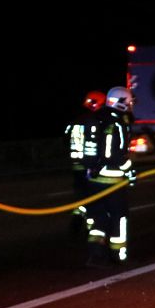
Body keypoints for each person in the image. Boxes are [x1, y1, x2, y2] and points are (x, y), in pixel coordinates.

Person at [82, 86, 136, 267]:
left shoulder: (96, 118)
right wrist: (130, 171)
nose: (130, 105)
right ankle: (118, 254)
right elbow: (115, 155)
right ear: (121, 103)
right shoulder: (118, 123)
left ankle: (95, 255)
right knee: (119, 218)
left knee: (97, 218)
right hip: (112, 181)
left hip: (94, 179)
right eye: (128, 102)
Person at [65, 90, 106, 234]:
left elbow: (66, 141)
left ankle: (78, 219)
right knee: (93, 197)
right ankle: (91, 229)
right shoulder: (93, 121)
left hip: (75, 165)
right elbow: (94, 145)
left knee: (82, 195)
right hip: (88, 166)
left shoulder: (75, 121)